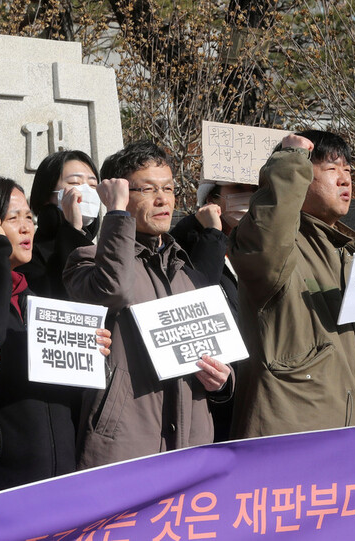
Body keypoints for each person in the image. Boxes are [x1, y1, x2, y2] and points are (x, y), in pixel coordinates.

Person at [0, 176, 111, 505]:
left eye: (29, 217)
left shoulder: (30, 297)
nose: (26, 227)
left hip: (53, 484)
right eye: (13, 218)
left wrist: (87, 349)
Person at [228, 131, 355, 439]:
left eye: (348, 171)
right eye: (331, 169)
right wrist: (290, 160)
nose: (344, 180)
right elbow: (267, 238)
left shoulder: (349, 256)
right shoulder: (276, 246)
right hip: (299, 443)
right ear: (300, 176)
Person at [64, 141, 231, 469]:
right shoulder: (86, 260)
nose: (163, 199)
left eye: (168, 188)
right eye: (149, 189)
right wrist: (116, 213)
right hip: (124, 446)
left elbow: (217, 350)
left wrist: (224, 380)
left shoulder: (185, 271)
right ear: (120, 193)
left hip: (192, 445)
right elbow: (113, 290)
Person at [170, 177, 257, 441]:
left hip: (254, 393)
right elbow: (196, 299)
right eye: (238, 189)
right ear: (212, 199)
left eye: (254, 191)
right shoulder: (186, 246)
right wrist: (213, 233)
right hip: (216, 402)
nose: (248, 197)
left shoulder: (255, 247)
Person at [18, 150, 102, 299]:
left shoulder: (104, 251)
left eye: (93, 185)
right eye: (75, 183)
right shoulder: (29, 254)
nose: (86, 191)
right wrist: (73, 231)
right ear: (47, 195)